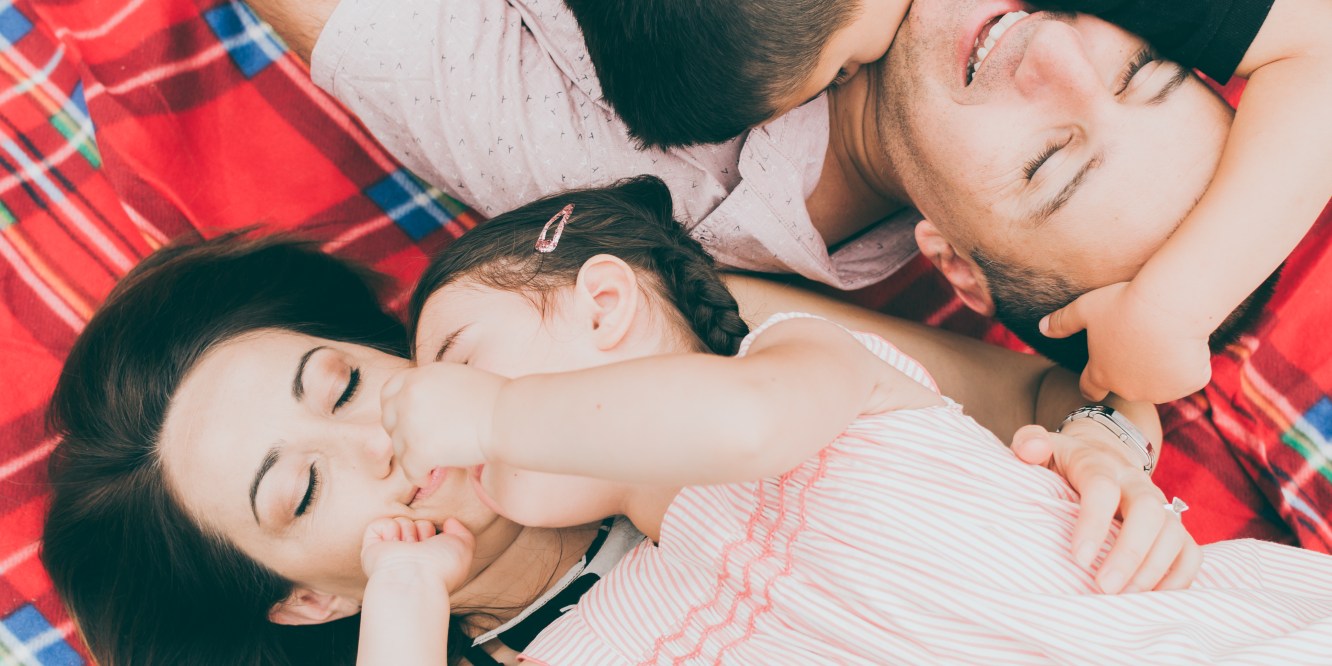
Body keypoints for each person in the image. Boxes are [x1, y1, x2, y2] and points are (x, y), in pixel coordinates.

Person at [44, 219, 1193, 663]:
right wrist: (408, 598)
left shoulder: (642, 326)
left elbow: (1049, 397)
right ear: (308, 600)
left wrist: (1100, 457)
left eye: (341, 383)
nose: (377, 443)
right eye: (300, 489)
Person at [366, 176, 1332, 663]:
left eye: (455, 355)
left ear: (604, 303)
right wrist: (408, 596)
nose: (430, 424)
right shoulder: (591, 642)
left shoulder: (799, 364)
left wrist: (490, 415)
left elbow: (746, 427)